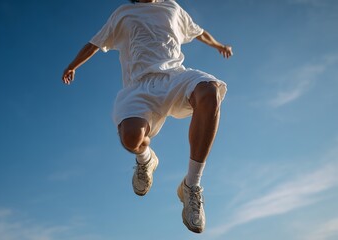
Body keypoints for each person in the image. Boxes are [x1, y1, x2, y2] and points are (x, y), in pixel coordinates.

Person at [61, 0, 233, 234]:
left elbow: (199, 32)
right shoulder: (123, 13)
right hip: (139, 87)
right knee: (131, 138)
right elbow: (94, 43)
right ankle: (145, 159)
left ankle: (191, 185)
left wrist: (219, 45)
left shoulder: (172, 7)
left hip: (174, 77)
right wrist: (73, 65)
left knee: (210, 92)